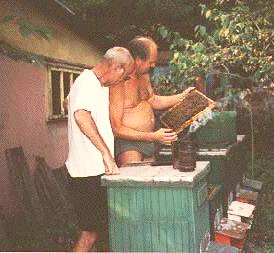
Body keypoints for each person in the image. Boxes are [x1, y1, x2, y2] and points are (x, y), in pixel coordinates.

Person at [65, 47, 134, 252]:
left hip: (94, 171)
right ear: (117, 68)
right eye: (125, 76)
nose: (123, 82)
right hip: (87, 173)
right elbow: (81, 116)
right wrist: (106, 153)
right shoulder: (87, 83)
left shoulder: (93, 84)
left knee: (101, 232)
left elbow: (68, 101)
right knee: (89, 234)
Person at [110, 36, 194, 166]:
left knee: (150, 182)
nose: (153, 65)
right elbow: (116, 129)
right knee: (134, 182)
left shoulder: (144, 76)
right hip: (129, 145)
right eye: (150, 62)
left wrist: (182, 96)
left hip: (149, 141)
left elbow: (153, 100)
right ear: (138, 60)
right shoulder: (118, 82)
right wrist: (153, 137)